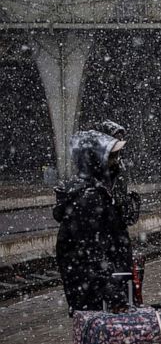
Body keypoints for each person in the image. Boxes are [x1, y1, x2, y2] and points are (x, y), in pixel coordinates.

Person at [54, 131, 134, 313]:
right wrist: (115, 296)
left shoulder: (94, 193)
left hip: (97, 293)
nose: (117, 163)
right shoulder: (90, 199)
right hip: (98, 298)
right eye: (112, 157)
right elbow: (93, 254)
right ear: (95, 160)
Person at [93, 120, 141, 226]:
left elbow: (119, 196)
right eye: (116, 139)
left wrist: (129, 203)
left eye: (120, 139)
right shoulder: (94, 167)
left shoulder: (119, 165)